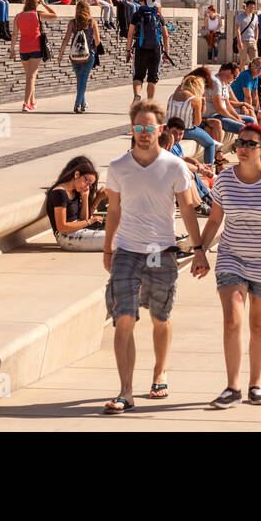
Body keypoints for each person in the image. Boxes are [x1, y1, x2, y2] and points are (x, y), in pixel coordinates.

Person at [102, 101, 207, 413]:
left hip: (160, 252)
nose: (144, 134)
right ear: (131, 129)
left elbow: (187, 210)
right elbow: (113, 211)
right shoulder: (119, 167)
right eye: (139, 128)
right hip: (127, 251)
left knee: (160, 317)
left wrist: (199, 249)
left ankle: (160, 371)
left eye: (149, 128)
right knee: (123, 318)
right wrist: (108, 248)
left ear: (160, 131)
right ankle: (125, 392)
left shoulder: (175, 167)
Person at [198, 123, 261, 408]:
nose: (242, 148)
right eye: (240, 143)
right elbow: (215, 220)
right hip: (232, 257)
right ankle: (232, 387)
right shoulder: (226, 179)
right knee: (232, 319)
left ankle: (255, 384)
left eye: (250, 144)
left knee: (259, 323)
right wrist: (201, 251)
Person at [10, 0, 58, 112]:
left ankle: (32, 100)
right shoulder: (38, 14)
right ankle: (26, 103)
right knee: (31, 77)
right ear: (36, 3)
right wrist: (45, 4)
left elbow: (15, 34)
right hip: (36, 48)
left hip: (23, 49)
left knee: (29, 77)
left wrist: (12, 49)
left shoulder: (18, 16)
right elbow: (55, 15)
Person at [46, 156, 106, 252]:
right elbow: (61, 227)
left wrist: (85, 197)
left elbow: (83, 219)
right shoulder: (59, 193)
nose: (88, 187)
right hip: (67, 237)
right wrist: (90, 221)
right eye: (87, 182)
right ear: (77, 174)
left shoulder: (75, 192)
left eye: (90, 185)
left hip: (78, 231)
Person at [57, 0, 101, 113]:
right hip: (88, 54)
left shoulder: (72, 23)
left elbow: (66, 39)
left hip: (75, 55)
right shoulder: (92, 22)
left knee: (80, 80)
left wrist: (60, 53)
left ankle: (83, 103)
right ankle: (77, 104)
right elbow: (97, 40)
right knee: (83, 80)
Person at [127, 0, 171, 103]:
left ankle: (137, 95)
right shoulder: (158, 15)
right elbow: (166, 35)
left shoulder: (136, 15)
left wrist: (128, 50)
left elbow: (130, 34)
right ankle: (150, 102)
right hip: (155, 50)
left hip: (140, 49)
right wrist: (166, 52)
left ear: (142, 2)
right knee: (152, 78)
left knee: (138, 76)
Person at [167, 74, 216, 165]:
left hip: (171, 129)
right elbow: (197, 123)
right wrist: (203, 106)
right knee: (210, 144)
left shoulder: (172, 96)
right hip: (186, 130)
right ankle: (209, 168)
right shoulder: (195, 100)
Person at [234, 0, 259, 67]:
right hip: (243, 41)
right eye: (250, 7)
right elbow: (238, 29)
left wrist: (256, 40)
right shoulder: (240, 17)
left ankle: (253, 76)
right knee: (243, 60)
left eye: (253, 7)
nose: (252, 9)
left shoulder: (255, 17)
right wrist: (239, 42)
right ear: (246, 7)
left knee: (254, 60)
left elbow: (256, 28)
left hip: (252, 41)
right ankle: (242, 74)